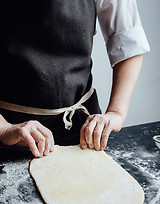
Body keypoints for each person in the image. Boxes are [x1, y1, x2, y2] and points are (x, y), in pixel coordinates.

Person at [0, 0, 150, 157]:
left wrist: (116, 112)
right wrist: (5, 129)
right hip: (11, 132)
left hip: (84, 130)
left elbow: (127, 40)